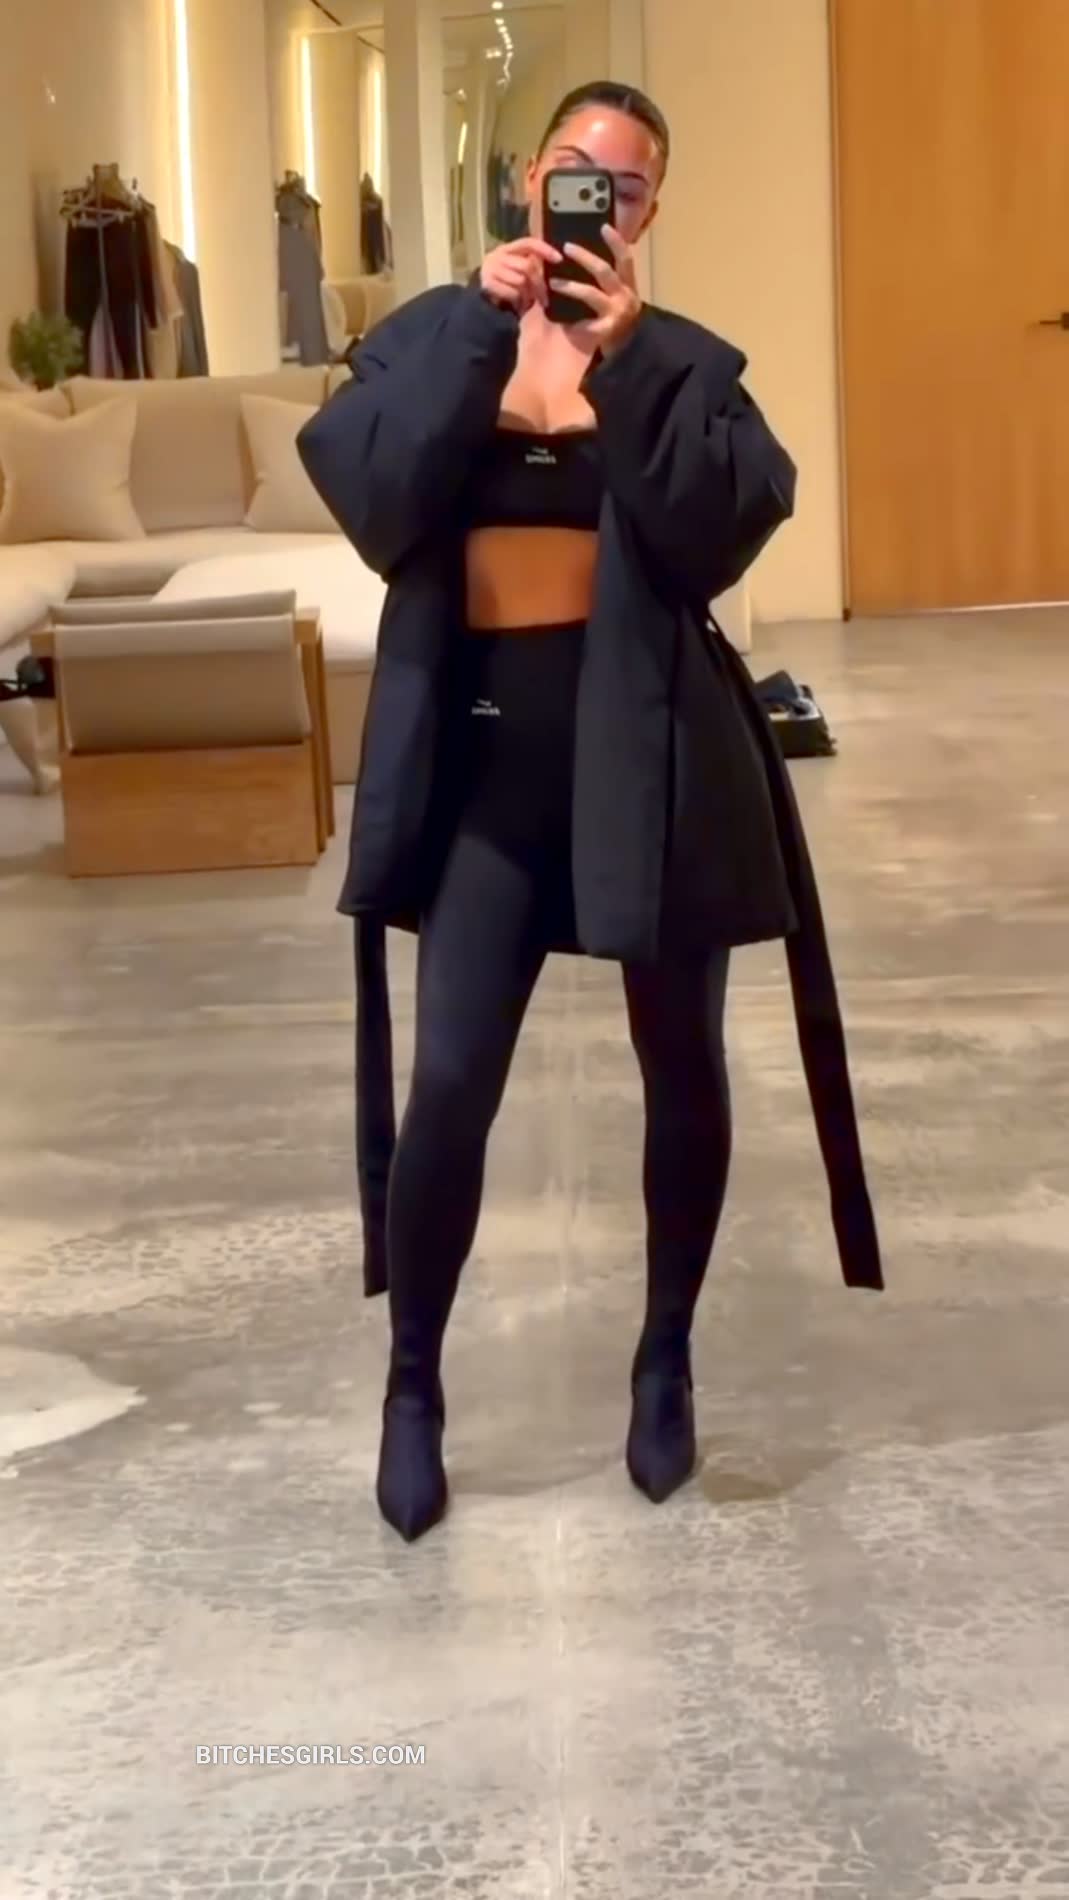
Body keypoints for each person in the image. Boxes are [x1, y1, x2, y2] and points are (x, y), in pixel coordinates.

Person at [298, 80, 883, 1544]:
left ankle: (664, 1358)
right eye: (575, 171)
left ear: (648, 212)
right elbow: (375, 504)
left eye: (621, 186)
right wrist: (478, 339)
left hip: (650, 767)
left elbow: (713, 537)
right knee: (452, 1084)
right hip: (487, 776)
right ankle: (414, 1387)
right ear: (528, 179)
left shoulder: (678, 363)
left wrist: (625, 366)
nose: (594, 199)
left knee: (681, 1066)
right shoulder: (439, 337)